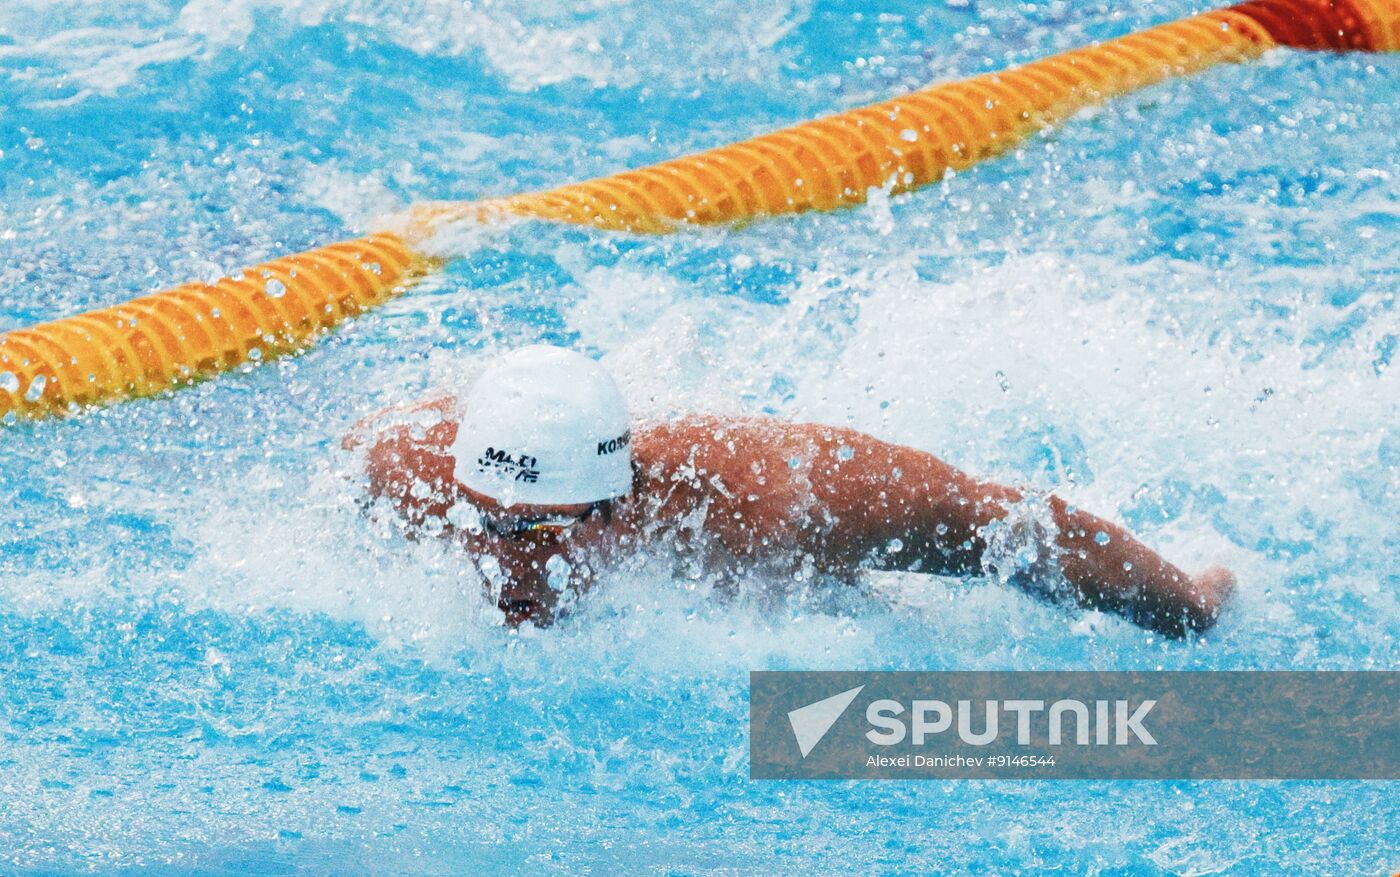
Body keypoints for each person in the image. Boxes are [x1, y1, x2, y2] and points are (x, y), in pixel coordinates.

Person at [345, 345, 1234, 636]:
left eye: (539, 532)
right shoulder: (421, 475)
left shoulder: (767, 499)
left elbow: (1005, 522)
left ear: (614, 506)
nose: (502, 563)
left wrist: (1188, 602)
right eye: (483, 524)